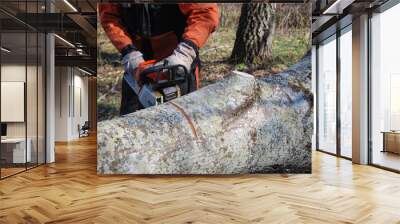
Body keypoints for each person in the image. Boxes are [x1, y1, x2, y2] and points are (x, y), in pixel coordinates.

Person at [99, 3, 219, 115]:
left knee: (183, 118)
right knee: (129, 119)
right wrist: (128, 51)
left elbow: (204, 12)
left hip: (177, 59)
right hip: (138, 63)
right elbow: (109, 16)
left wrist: (185, 52)